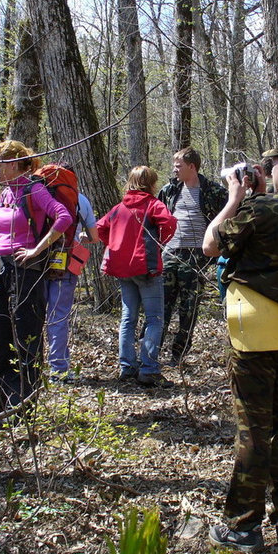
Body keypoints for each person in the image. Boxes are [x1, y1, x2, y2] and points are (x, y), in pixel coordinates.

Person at [203, 136, 278, 552]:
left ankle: (243, 525)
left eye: (272, 164)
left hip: (255, 330)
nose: (269, 170)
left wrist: (234, 198)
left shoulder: (261, 208)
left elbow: (211, 244)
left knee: (254, 427)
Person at [0, 141, 72, 412]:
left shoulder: (33, 189)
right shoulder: (5, 193)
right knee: (0, 336)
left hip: (27, 272)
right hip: (1, 269)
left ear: (13, 164)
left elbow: (63, 217)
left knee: (26, 337)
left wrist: (37, 248)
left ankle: (23, 404)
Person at [97, 166, 177, 388]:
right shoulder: (153, 204)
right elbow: (170, 223)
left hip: (124, 270)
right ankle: (149, 369)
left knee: (128, 318)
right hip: (146, 269)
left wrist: (116, 245)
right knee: (154, 318)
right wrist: (160, 241)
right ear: (151, 183)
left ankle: (127, 367)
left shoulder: (118, 209)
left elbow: (100, 229)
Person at [158, 147, 227, 365]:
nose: (174, 170)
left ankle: (177, 356)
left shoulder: (213, 192)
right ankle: (152, 354)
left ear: (192, 167)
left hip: (196, 257)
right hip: (169, 254)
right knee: (161, 307)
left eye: (178, 166)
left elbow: (227, 221)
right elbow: (157, 218)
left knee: (189, 310)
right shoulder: (169, 190)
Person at [46, 188, 99, 383]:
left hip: (37, 261)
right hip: (65, 263)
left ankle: (28, 368)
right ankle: (59, 370)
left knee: (32, 315)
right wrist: (79, 236)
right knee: (58, 316)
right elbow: (94, 237)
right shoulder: (80, 199)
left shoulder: (40, 194)